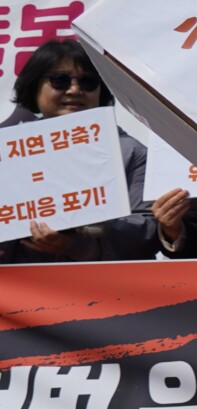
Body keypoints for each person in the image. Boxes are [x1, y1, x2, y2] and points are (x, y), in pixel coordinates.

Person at [1, 41, 157, 263]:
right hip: (17, 281)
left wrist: (77, 245)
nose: (74, 90)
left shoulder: (131, 152)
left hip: (101, 282)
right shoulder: (8, 153)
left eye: (88, 82)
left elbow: (148, 230)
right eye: (59, 80)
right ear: (34, 87)